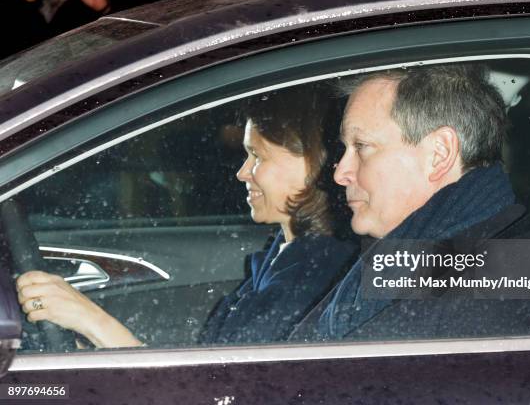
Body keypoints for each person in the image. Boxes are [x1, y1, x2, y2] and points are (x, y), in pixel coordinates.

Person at [15, 85, 356, 347]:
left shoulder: (315, 279)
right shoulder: (283, 255)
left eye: (258, 157)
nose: (242, 172)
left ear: (315, 165)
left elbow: (214, 391)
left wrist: (91, 320)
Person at [290, 63, 530, 342]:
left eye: (361, 146)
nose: (340, 173)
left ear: (439, 154)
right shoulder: (425, 259)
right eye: (345, 149)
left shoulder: (488, 295)